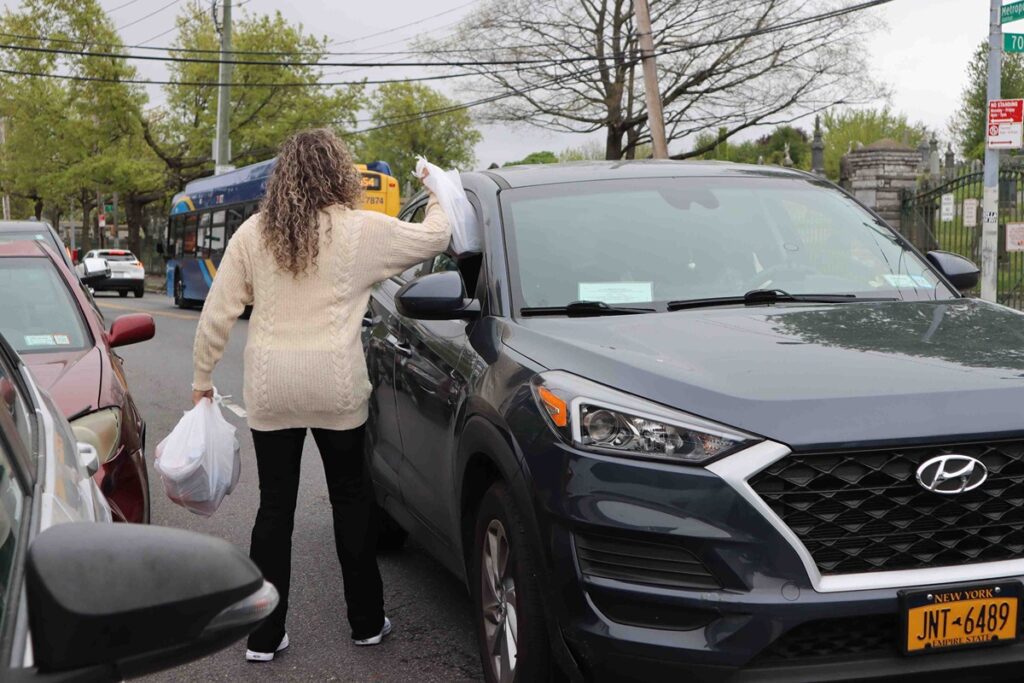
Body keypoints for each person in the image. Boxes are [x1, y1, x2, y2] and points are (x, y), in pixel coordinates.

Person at [190, 128, 451, 662]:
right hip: (335, 387)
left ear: (282, 176)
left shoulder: (254, 234)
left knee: (274, 511)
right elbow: (435, 237)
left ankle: (263, 637)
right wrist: (437, 186)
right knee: (351, 503)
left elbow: (217, 313)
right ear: (339, 172)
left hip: (271, 389)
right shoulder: (361, 232)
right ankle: (367, 623)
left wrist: (201, 381)